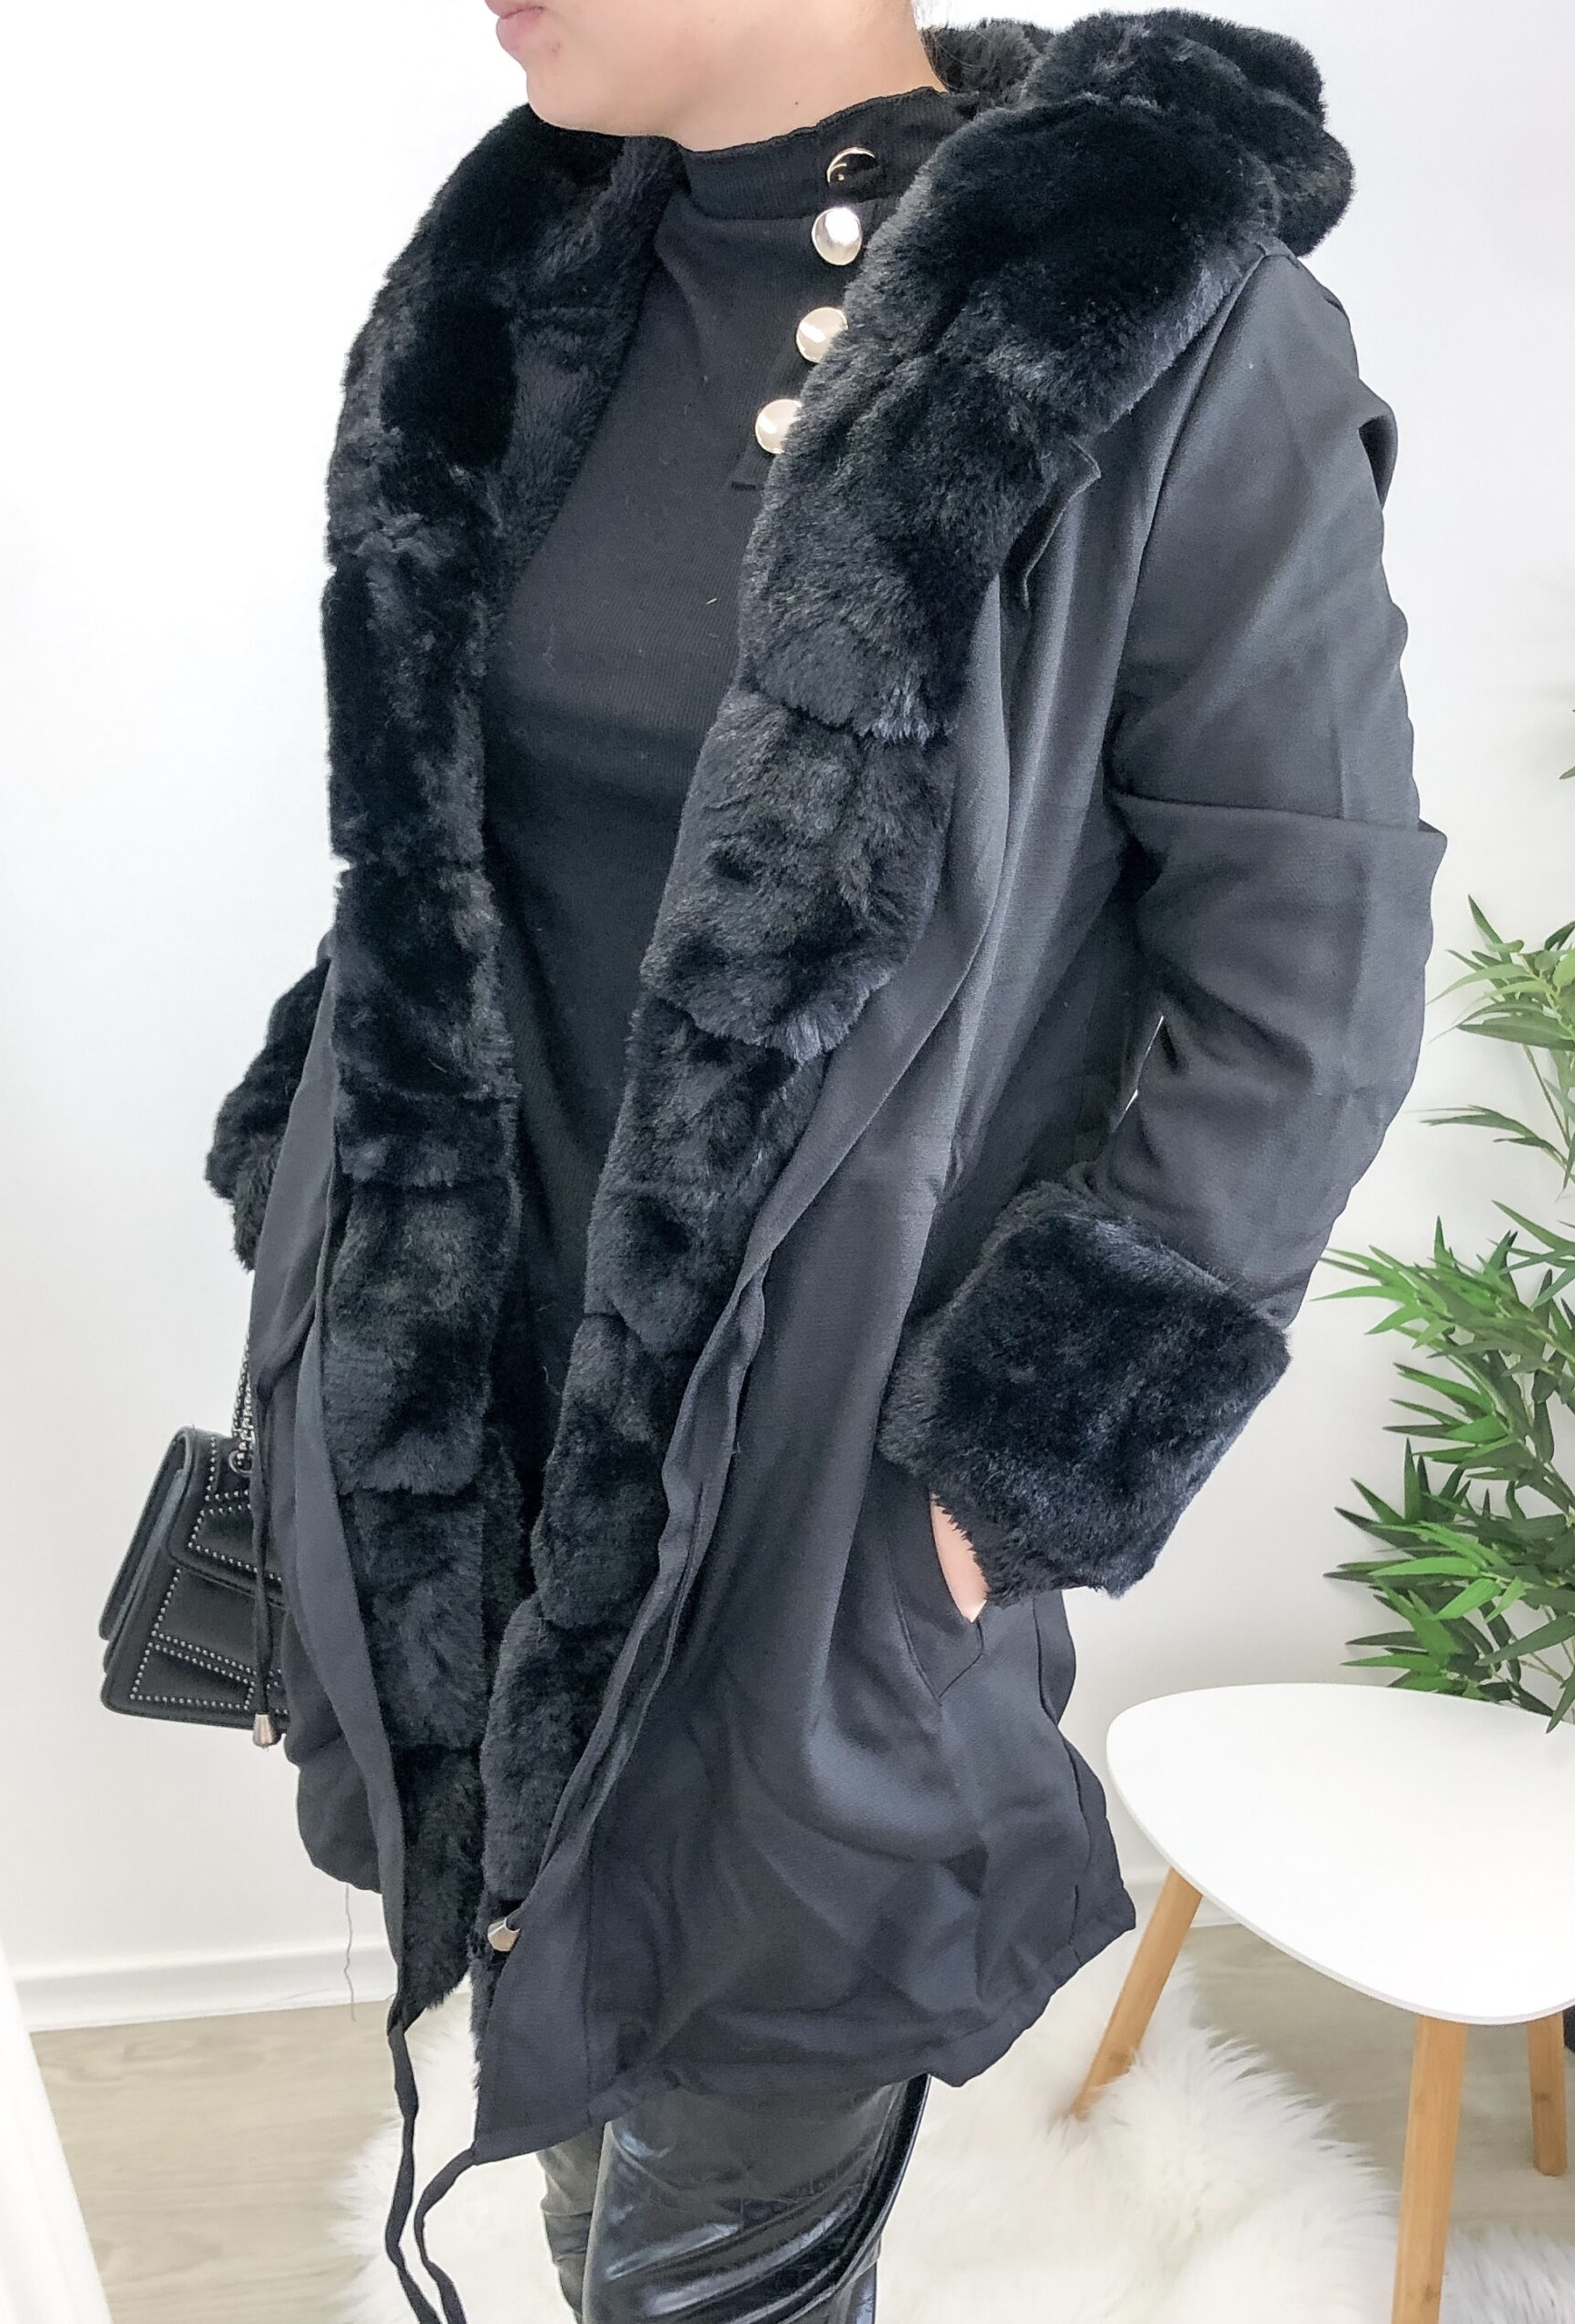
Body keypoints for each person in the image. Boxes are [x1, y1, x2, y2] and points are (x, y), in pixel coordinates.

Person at [203, 4, 1448, 2317]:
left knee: (726, 2233)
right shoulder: (516, 276)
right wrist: (316, 1195)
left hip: (826, 1478)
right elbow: (446, 852)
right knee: (558, 2086)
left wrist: (1015, 1465)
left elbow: (1315, 958)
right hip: (473, 1403)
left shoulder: (1155, 323)